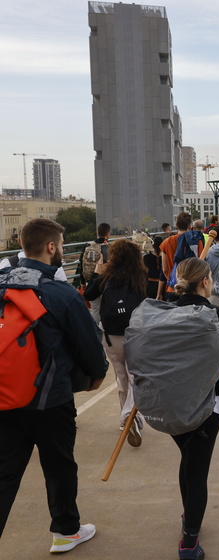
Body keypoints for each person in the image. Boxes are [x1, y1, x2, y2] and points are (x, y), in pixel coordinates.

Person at [0, 218, 108, 551]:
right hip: (51, 399)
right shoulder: (60, 292)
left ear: (21, 242)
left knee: (4, 475)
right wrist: (96, 377)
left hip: (4, 396)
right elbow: (89, 345)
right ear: (51, 247)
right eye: (61, 245)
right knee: (59, 465)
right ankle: (65, 531)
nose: (62, 250)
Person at [171, 258, 219, 560]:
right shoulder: (216, 314)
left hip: (171, 402)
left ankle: (189, 515)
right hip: (205, 402)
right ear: (205, 282)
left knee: (187, 458)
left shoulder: (165, 311)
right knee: (198, 469)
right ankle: (189, 542)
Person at [83, 239, 148, 447]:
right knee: (135, 377)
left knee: (121, 376)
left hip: (111, 336)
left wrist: (97, 272)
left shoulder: (107, 276)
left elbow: (88, 295)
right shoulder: (140, 275)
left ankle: (124, 419)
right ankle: (129, 415)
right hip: (134, 333)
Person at [158, 212, 204, 301]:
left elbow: (165, 269)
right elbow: (201, 264)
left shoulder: (166, 243)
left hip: (172, 288)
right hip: (192, 290)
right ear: (190, 226)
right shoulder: (197, 241)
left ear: (176, 225)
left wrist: (174, 281)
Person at [76, 222, 111, 325]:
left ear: (97, 232)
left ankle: (95, 332)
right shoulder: (107, 247)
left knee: (95, 309)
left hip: (90, 282)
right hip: (104, 282)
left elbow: (81, 265)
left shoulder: (87, 246)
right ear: (108, 234)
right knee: (106, 306)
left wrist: (82, 282)